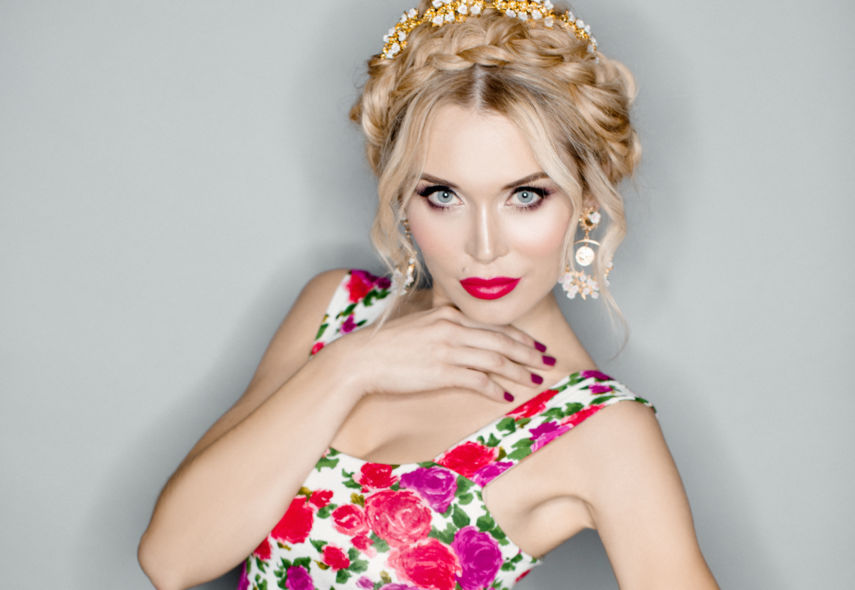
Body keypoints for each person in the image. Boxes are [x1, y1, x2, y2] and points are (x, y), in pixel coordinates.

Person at [138, 1, 719, 589]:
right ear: (401, 198)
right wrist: (352, 366)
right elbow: (171, 560)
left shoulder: (599, 429)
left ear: (587, 196)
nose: (484, 246)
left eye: (526, 196)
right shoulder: (335, 308)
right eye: (443, 195)